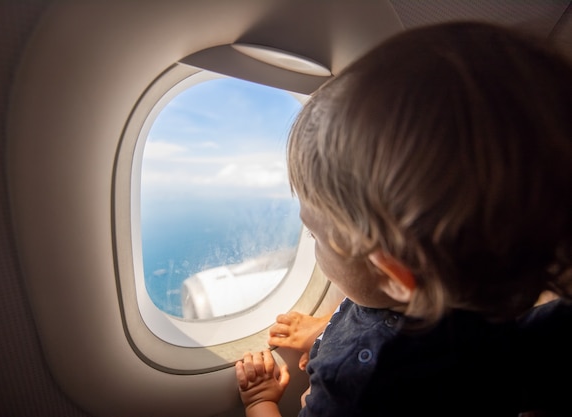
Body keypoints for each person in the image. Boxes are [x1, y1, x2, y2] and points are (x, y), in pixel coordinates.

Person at [235, 21, 572, 417]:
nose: (312, 242)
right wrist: (324, 332)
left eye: (315, 236)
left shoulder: (359, 388)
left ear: (395, 276)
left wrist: (261, 402)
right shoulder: (507, 317)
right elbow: (374, 307)